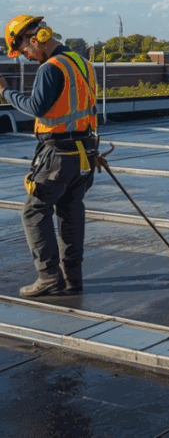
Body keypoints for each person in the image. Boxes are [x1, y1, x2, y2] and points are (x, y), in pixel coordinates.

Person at [1, 15, 98, 298]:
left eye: (24, 50)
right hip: (84, 152)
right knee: (71, 212)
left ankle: (48, 276)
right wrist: (93, 150)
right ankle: (73, 278)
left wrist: (5, 91)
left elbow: (37, 108)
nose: (27, 57)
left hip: (59, 155)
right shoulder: (81, 62)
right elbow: (86, 109)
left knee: (34, 211)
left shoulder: (51, 67)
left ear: (36, 40)